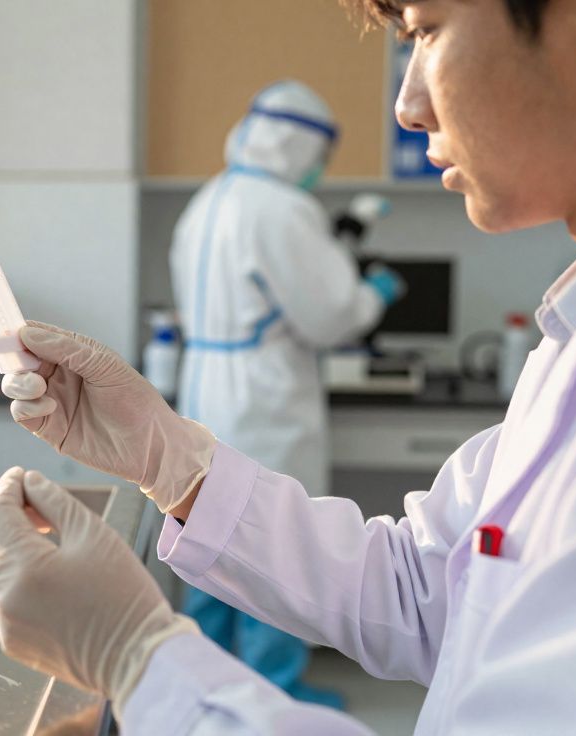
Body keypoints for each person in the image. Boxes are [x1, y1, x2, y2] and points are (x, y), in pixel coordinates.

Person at [0, 0, 576, 732]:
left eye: (424, 30)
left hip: (218, 375)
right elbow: (426, 590)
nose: (408, 106)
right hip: (266, 387)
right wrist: (172, 460)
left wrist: (141, 661)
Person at [167, 79, 402, 708]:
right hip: (264, 395)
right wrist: (371, 295)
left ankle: (207, 681)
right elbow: (329, 316)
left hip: (205, 384)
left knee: (210, 534)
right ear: (304, 147)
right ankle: (273, 689)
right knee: (271, 542)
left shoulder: (209, 199)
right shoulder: (281, 208)